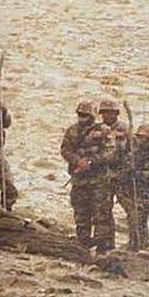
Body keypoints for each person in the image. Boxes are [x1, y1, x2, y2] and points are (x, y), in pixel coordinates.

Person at [60, 101, 114, 253]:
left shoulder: (104, 130)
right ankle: (82, 247)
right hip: (79, 180)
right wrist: (77, 161)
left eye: (85, 115)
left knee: (101, 215)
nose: (82, 118)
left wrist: (91, 161)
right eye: (80, 115)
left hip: (99, 181)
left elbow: (110, 152)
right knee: (81, 214)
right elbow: (65, 149)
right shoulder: (72, 131)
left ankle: (102, 251)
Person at [99, 100, 138, 251]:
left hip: (123, 175)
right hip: (104, 175)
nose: (107, 116)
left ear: (116, 114)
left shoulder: (125, 129)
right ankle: (107, 244)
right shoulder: (98, 129)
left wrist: (128, 169)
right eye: (104, 113)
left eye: (110, 112)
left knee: (131, 210)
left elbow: (134, 151)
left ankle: (136, 242)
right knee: (103, 211)